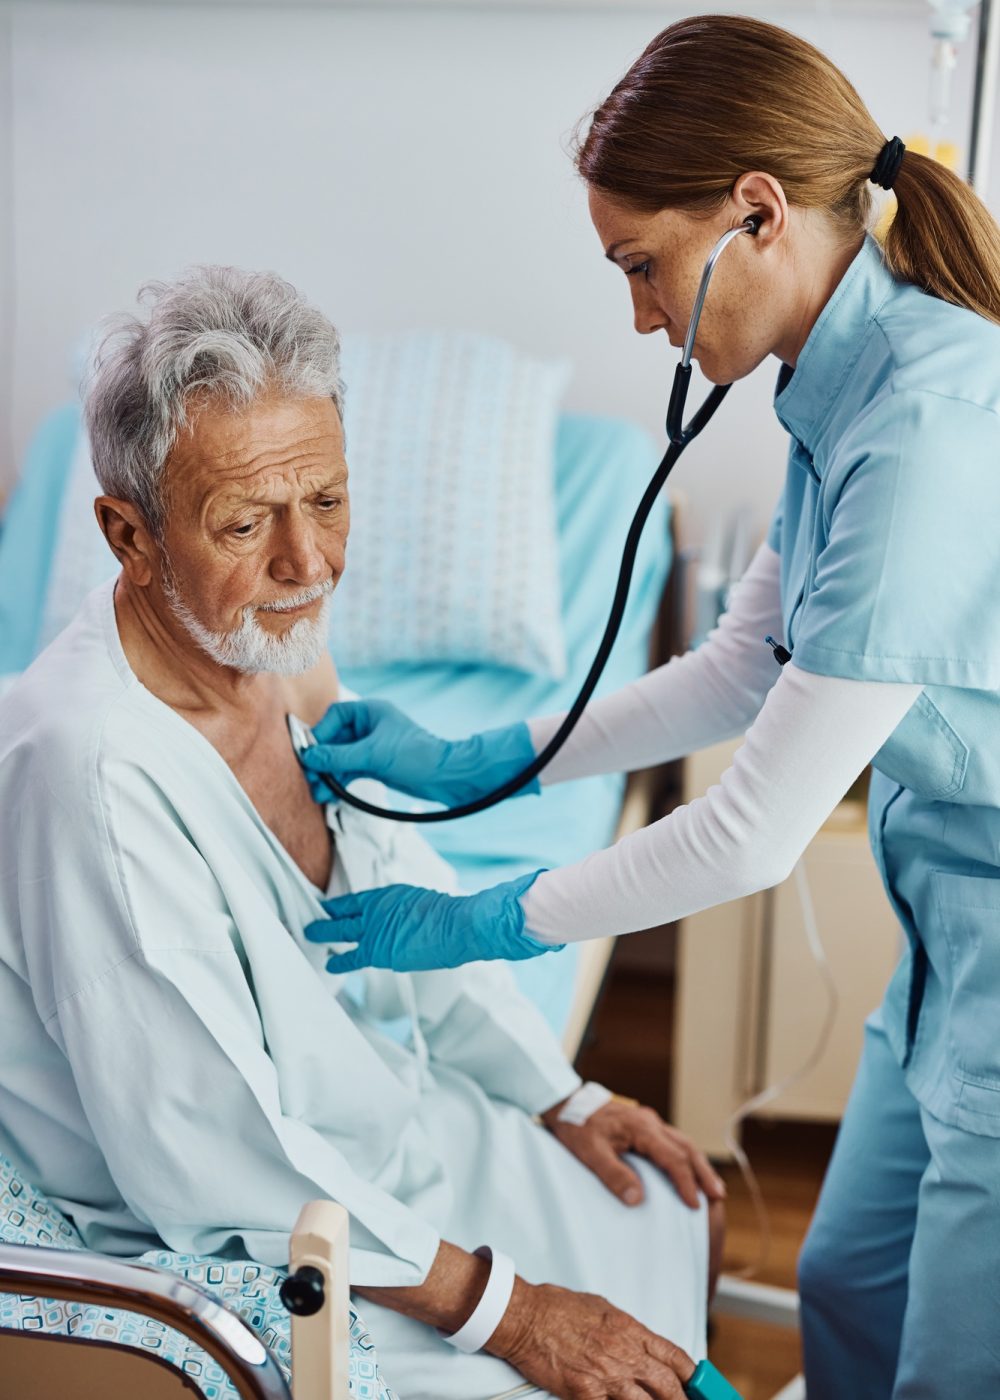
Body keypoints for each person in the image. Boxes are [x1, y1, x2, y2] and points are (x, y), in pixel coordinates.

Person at [298, 16, 1000, 1400]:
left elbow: (747, 838)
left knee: (951, 1367)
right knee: (843, 1282)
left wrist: (488, 919)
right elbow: (743, 664)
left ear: (754, 212)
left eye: (640, 268)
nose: (634, 315)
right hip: (945, 940)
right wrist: (480, 762)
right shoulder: (835, 388)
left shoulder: (929, 431)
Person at [0, 267, 727, 1400]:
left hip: (365, 1127)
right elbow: (206, 1150)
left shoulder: (272, 654)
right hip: (227, 1238)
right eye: (245, 523)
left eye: (328, 502)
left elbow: (405, 896)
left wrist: (559, 1093)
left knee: (661, 1211)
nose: (305, 565)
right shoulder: (88, 770)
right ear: (126, 533)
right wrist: (510, 1309)